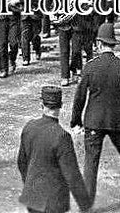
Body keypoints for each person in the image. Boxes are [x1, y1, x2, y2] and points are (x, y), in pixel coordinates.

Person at [69, 23, 120, 204]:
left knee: (91, 162)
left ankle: (86, 201)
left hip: (94, 121)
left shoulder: (90, 67)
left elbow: (80, 96)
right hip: (119, 121)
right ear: (113, 44)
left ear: (99, 44)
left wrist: (75, 120)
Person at [18, 85, 93, 213]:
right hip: (54, 201)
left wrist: (30, 184)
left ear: (42, 105)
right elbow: (72, 175)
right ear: (61, 105)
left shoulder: (29, 127)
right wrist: (85, 205)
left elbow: (21, 162)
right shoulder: (62, 136)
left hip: (33, 198)